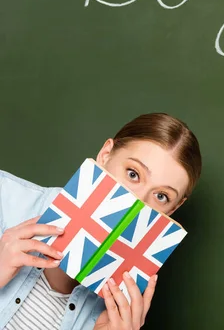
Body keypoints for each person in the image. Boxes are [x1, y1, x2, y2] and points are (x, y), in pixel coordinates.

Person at [0, 113, 202, 330]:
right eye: (133, 174)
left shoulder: (119, 312)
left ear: (173, 209)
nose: (138, 202)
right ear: (105, 155)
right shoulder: (5, 197)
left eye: (161, 196)